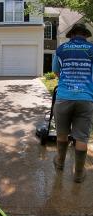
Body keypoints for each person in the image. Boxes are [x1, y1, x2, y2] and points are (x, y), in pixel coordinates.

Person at [52, 23, 93, 183]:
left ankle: (60, 163)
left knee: (62, 134)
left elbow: (56, 71)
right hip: (85, 98)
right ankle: (78, 173)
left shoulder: (61, 49)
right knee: (82, 138)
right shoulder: (91, 49)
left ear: (72, 34)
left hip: (64, 97)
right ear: (84, 34)